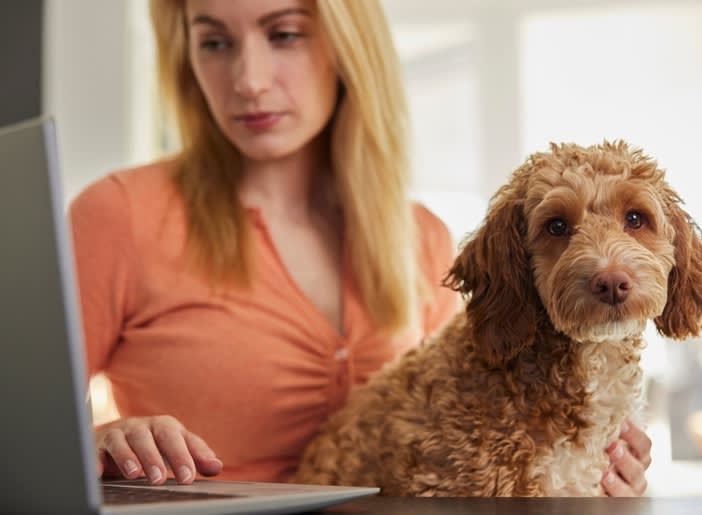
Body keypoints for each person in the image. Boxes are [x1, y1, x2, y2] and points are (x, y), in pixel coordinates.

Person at [69, 0, 652, 497]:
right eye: (215, 42)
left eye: (285, 34)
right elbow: (19, 432)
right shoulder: (119, 216)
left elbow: (467, 432)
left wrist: (588, 478)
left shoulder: (421, 237)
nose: (248, 79)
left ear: (347, 43)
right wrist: (94, 443)